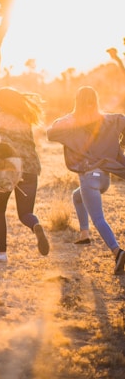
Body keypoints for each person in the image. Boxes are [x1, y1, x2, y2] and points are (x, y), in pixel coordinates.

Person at [47, 86, 125, 275]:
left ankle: (118, 252)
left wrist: (70, 117)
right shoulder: (108, 119)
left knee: (98, 218)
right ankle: (84, 235)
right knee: (77, 197)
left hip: (89, 177)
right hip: (104, 178)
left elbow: (51, 131)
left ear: (77, 102)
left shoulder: (72, 121)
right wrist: (119, 144)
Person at [0, 87, 50, 262]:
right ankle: (35, 224)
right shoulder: (24, 119)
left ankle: (2, 252)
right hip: (30, 167)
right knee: (25, 213)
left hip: (7, 168)